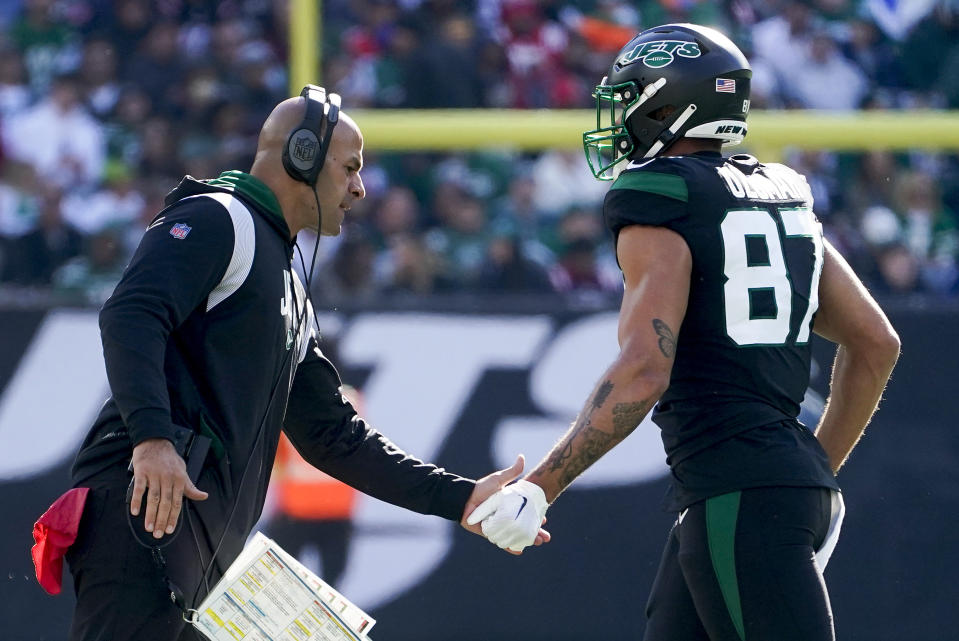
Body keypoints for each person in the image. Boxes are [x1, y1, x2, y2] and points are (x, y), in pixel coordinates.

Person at [52, 86, 545, 641]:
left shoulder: (287, 280)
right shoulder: (220, 217)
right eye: (350, 168)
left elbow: (333, 435)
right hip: (148, 509)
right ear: (302, 156)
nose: (360, 188)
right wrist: (152, 440)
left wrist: (460, 497)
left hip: (196, 539)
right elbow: (131, 312)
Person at [468, 24, 900, 641]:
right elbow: (875, 342)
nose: (620, 117)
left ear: (670, 105)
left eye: (631, 99)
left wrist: (541, 487)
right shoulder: (782, 194)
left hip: (738, 492)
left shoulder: (661, 192)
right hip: (769, 489)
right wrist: (810, 468)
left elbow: (646, 368)